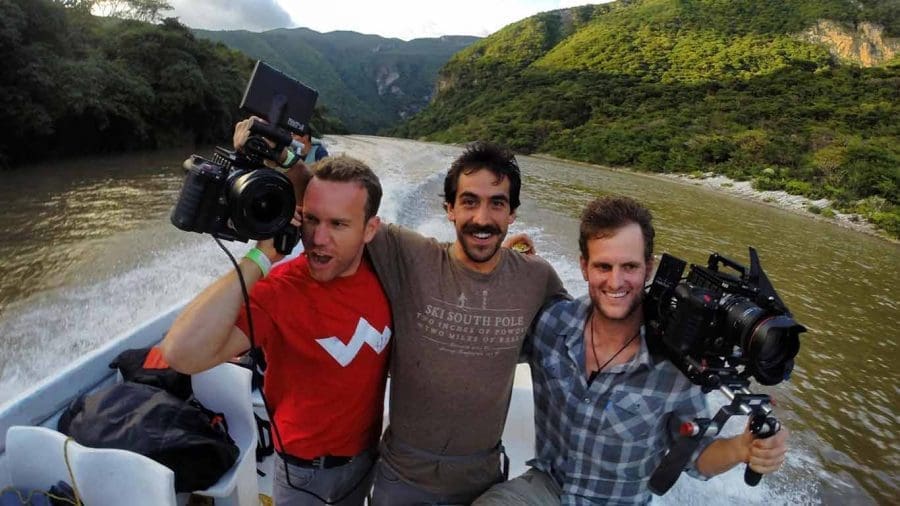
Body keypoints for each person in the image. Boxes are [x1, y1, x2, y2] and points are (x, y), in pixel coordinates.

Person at [473, 196, 790, 505]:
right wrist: (502, 270)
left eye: (629, 267)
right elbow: (481, 346)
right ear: (584, 267)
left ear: (648, 268)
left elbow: (696, 456)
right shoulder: (551, 325)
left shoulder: (677, 365)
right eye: (603, 266)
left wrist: (743, 448)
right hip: (547, 487)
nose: (616, 281)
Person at [161, 153, 391, 505]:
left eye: (338, 224)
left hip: (368, 460)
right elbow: (181, 354)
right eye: (311, 219)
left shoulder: (388, 277)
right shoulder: (280, 290)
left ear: (370, 229)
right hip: (303, 474)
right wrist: (260, 258)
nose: (319, 238)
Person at [364, 141, 569, 505]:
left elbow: (585, 333)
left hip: (482, 485)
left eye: (497, 204)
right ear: (450, 209)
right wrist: (287, 158)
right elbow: (341, 212)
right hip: (401, 479)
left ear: (512, 214)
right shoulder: (409, 256)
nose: (482, 218)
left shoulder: (537, 277)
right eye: (469, 202)